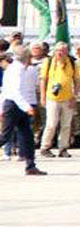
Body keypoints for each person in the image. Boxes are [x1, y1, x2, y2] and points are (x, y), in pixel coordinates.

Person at [1, 46, 46, 175]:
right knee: (5, 136)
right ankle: (30, 165)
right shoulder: (17, 69)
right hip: (15, 105)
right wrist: (26, 107)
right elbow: (14, 92)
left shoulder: (21, 68)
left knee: (27, 137)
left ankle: (30, 165)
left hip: (20, 104)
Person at [39, 42, 78, 158]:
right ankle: (45, 147)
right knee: (51, 124)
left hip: (68, 98)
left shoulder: (72, 62)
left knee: (66, 125)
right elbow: (43, 80)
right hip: (52, 98)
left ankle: (63, 148)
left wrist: (74, 96)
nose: (60, 53)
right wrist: (43, 96)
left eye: (63, 51)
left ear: (67, 52)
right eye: (58, 50)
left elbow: (77, 81)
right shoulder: (49, 62)